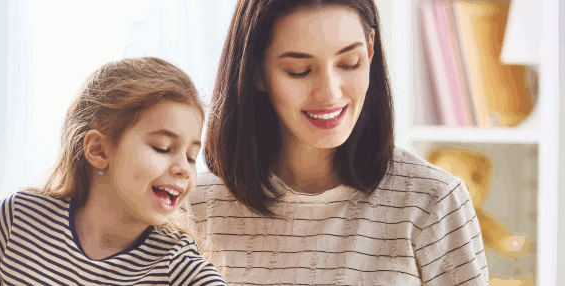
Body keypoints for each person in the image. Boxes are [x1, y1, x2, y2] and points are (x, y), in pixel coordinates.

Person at [187, 0, 488, 285]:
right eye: (299, 70)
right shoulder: (194, 207)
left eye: (349, 63)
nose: (329, 93)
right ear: (256, 72)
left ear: (370, 50)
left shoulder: (432, 201)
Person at [0, 57, 226, 285]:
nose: (184, 169)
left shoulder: (179, 268)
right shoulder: (17, 219)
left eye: (191, 156)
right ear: (99, 150)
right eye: (162, 147)